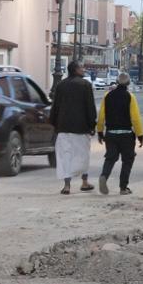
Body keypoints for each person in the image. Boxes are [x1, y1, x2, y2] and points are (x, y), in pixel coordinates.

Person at [49, 61, 96, 195]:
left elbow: (55, 106)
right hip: (81, 127)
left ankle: (67, 185)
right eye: (82, 67)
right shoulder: (85, 85)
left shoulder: (60, 85)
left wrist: (54, 123)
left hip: (63, 127)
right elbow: (90, 107)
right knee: (82, 155)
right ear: (76, 70)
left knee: (65, 156)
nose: (84, 69)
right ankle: (84, 182)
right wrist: (92, 124)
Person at [95, 72, 143, 196]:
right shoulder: (130, 97)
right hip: (126, 135)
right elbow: (135, 118)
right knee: (127, 160)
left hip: (111, 134)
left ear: (117, 82)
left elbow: (101, 116)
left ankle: (104, 176)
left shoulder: (107, 96)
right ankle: (123, 187)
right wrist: (140, 135)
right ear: (128, 83)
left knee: (110, 158)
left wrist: (100, 132)